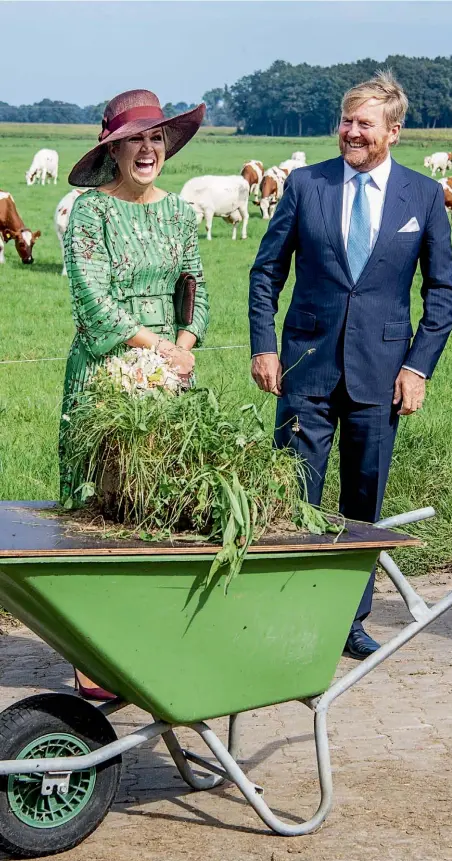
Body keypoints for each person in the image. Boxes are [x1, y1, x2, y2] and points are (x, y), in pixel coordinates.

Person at [249, 72, 452, 660]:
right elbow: (267, 272)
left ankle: (349, 620)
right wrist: (264, 346)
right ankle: (286, 618)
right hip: (304, 369)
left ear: (394, 130)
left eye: (365, 124)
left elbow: (442, 294)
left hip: (381, 375)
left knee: (361, 504)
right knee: (292, 498)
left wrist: (417, 368)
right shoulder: (304, 186)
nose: (351, 133)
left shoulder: (422, 197)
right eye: (346, 121)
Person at [60, 90, 209, 698]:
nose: (146, 149)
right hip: (108, 366)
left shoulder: (179, 214)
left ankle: (147, 642)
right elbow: (91, 299)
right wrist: (156, 347)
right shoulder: (91, 212)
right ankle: (91, 654)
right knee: (99, 506)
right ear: (113, 150)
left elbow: (197, 288)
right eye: (133, 140)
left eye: (155, 138)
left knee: (159, 505)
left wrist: (187, 343)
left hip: (167, 373)